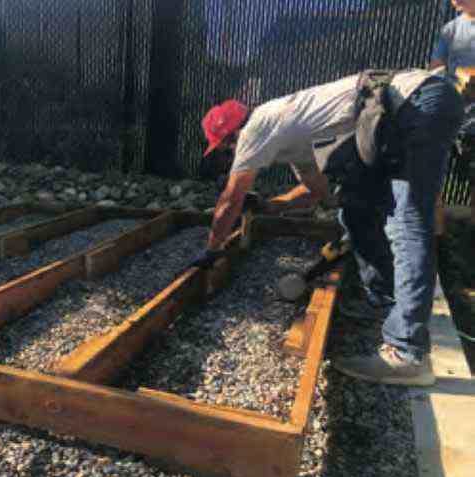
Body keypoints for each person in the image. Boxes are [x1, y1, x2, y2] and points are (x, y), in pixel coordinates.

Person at [201, 68, 464, 386]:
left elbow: (229, 201)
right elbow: (316, 193)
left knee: (406, 221)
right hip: (413, 104)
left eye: (225, 147)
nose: (230, 154)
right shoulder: (289, 134)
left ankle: (407, 353)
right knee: (355, 211)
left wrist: (211, 252)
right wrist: (271, 207)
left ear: (232, 136)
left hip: (415, 104)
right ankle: (385, 298)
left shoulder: (256, 127)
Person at [430, 0, 475, 228]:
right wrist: (454, 81)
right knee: (432, 186)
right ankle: (436, 250)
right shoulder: (450, 29)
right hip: (449, 119)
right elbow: (435, 68)